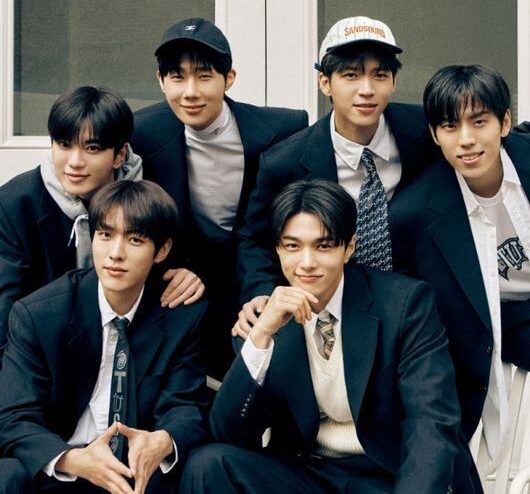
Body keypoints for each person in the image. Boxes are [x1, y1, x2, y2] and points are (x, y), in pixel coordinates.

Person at [180, 179, 479, 494]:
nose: (307, 263)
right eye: (293, 246)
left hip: (388, 473)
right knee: (208, 465)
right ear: (278, 249)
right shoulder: (264, 316)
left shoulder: (405, 304)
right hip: (308, 472)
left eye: (323, 246)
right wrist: (261, 336)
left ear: (349, 248)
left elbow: (430, 424)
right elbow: (227, 433)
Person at [0, 179, 208, 494]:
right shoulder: (39, 315)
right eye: (105, 235)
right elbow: (14, 416)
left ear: (162, 250)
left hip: (138, 474)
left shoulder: (181, 316)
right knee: (8, 473)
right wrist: (73, 459)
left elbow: (186, 405)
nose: (115, 253)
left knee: (198, 465)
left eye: (135, 239)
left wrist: (163, 440)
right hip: (65, 468)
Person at [235, 15, 438, 336]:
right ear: (325, 83)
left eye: (379, 75)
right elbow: (255, 239)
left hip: (419, 306)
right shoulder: (284, 163)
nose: (367, 90)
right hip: (330, 308)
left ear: (394, 82)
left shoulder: (426, 133)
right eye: (351, 75)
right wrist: (261, 291)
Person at [132, 17, 308, 377]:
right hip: (184, 276)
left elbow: (282, 224)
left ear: (229, 79)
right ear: (161, 81)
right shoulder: (143, 133)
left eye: (204, 76)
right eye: (177, 77)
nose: (190, 92)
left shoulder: (281, 130)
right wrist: (165, 269)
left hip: (254, 272)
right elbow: (138, 216)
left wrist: (264, 289)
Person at [390, 64, 530, 465]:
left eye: (479, 122)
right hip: (492, 331)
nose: (466, 140)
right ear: (435, 135)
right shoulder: (412, 215)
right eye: (450, 126)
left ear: (504, 123)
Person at [0, 85, 143, 363]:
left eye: (92, 148)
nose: (75, 162)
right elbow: (5, 318)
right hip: (43, 355)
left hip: (128, 346)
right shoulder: (14, 205)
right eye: (64, 145)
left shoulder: (147, 197)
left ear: (119, 155)